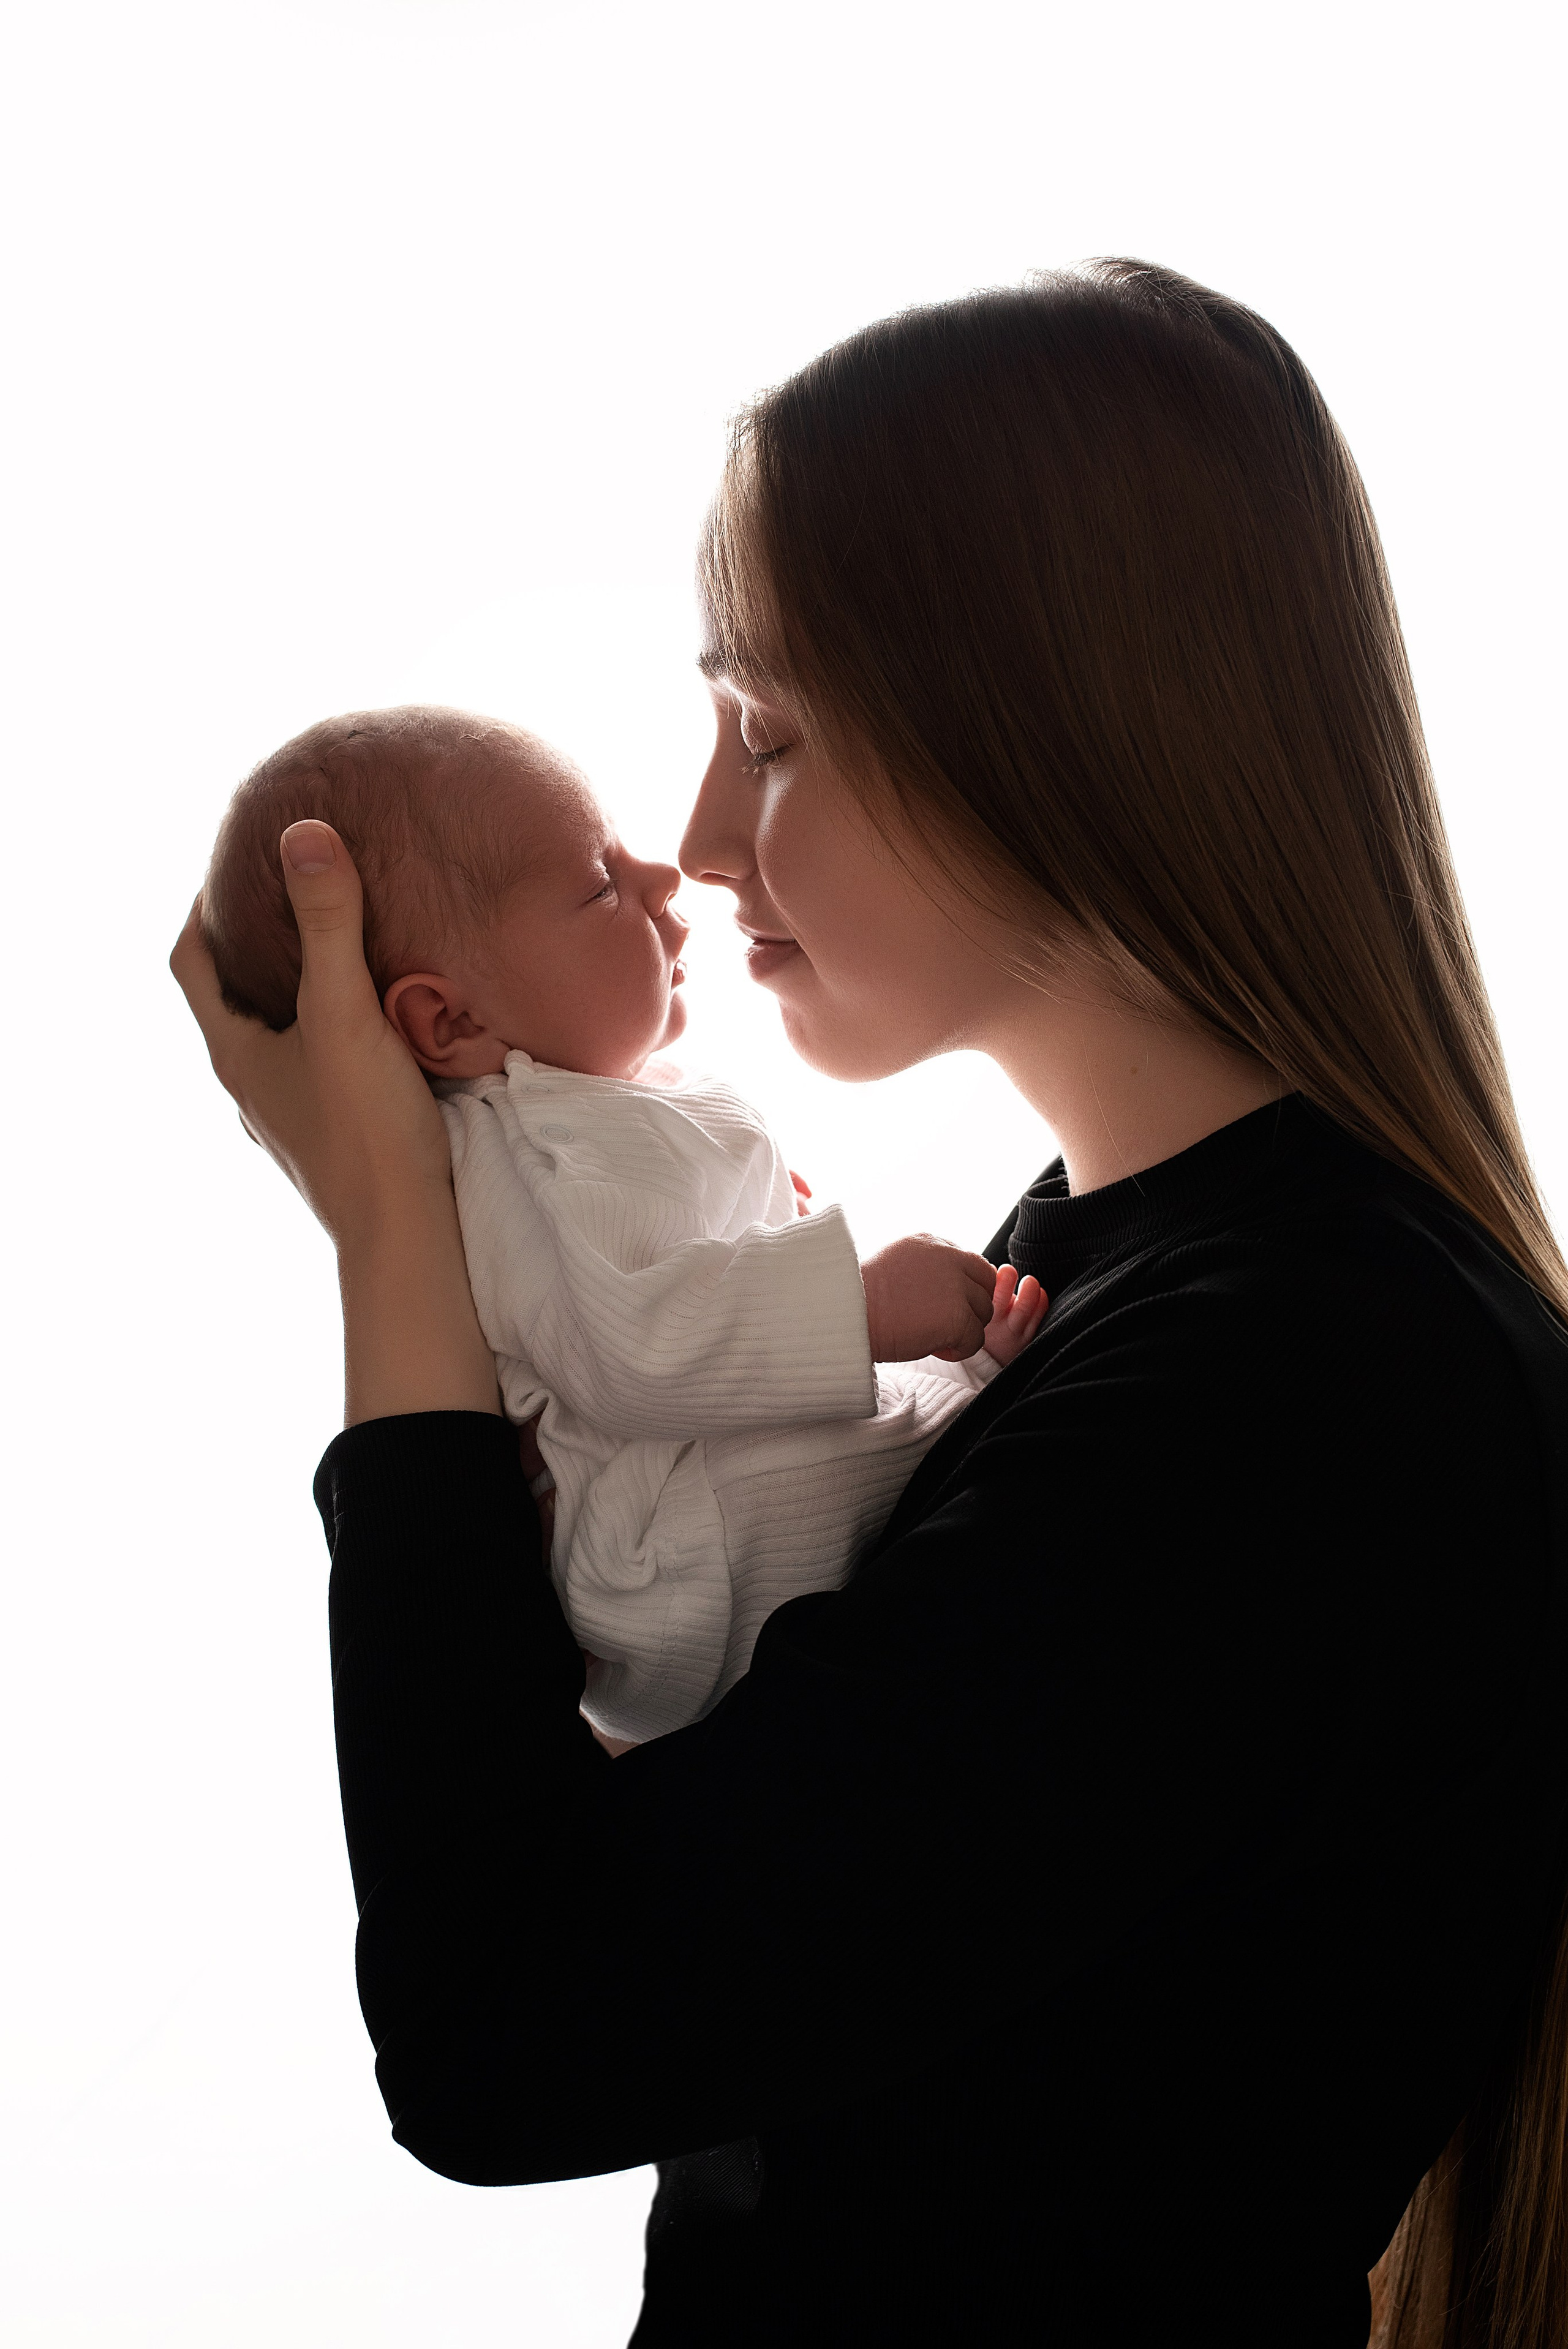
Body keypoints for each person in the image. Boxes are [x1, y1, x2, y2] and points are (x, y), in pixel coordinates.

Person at [173, 259, 1568, 2348]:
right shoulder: (1134, 1271)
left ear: (1059, 729)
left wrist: (399, 1234)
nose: (703, 836)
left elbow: (508, 2021)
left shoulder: (1293, 1391)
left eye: (771, 731)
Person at [199, 706, 1042, 1741]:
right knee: (875, 1448)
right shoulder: (542, 1147)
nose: (663, 876)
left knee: (864, 1441)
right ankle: (972, 1398)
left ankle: (968, 1393)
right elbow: (637, 1346)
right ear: (450, 1021)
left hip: (685, 1527)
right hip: (681, 1557)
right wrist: (862, 1302)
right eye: (600, 884)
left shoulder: (570, 1119)